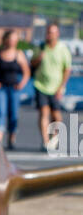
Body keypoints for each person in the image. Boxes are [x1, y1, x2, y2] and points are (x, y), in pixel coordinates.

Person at [31, 22, 72, 151]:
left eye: (53, 32)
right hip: (40, 85)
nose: (50, 35)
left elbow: (67, 69)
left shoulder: (63, 49)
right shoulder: (41, 47)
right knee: (43, 112)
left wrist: (61, 87)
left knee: (56, 115)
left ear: (57, 34)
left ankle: (54, 137)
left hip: (56, 87)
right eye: (48, 32)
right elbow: (31, 63)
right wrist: (39, 58)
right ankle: (45, 141)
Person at [0, 28, 29, 149]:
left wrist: (22, 83)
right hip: (1, 88)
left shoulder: (19, 54)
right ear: (5, 40)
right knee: (1, 112)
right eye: (10, 39)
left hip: (14, 88)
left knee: (13, 114)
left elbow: (27, 72)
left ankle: (12, 138)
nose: (12, 42)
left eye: (15, 40)